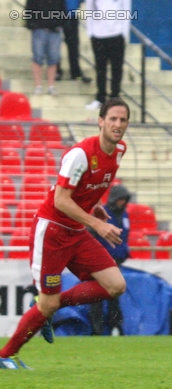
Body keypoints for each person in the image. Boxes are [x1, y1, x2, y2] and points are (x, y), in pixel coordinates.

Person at [0, 98, 130, 369]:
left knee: (115, 285)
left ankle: (53, 304)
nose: (118, 125)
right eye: (113, 119)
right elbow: (60, 200)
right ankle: (5, 355)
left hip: (76, 230)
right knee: (45, 305)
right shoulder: (80, 154)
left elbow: (89, 185)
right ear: (101, 121)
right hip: (52, 232)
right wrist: (97, 225)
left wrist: (94, 205)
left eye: (123, 120)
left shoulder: (119, 150)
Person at [88, 183, 131, 336]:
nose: (123, 202)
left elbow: (125, 237)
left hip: (116, 261)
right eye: (120, 199)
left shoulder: (125, 215)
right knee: (96, 297)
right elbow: (90, 234)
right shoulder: (102, 213)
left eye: (124, 199)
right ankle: (97, 329)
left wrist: (124, 252)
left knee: (115, 296)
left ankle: (116, 328)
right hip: (101, 263)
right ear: (114, 199)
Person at [84, 0, 131, 110]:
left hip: (117, 34)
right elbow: (89, 9)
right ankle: (100, 98)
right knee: (100, 68)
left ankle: (115, 97)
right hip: (98, 36)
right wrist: (90, 33)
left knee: (117, 68)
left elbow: (126, 10)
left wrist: (124, 33)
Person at [25, 0, 66, 96]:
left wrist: (60, 24)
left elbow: (63, 10)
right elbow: (29, 9)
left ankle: (51, 86)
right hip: (39, 29)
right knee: (38, 57)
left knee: (53, 59)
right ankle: (38, 86)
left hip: (54, 31)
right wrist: (32, 25)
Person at [58, 0, 92, 83]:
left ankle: (75, 72)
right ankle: (56, 71)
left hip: (71, 14)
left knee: (73, 44)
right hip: (56, 13)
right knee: (55, 45)